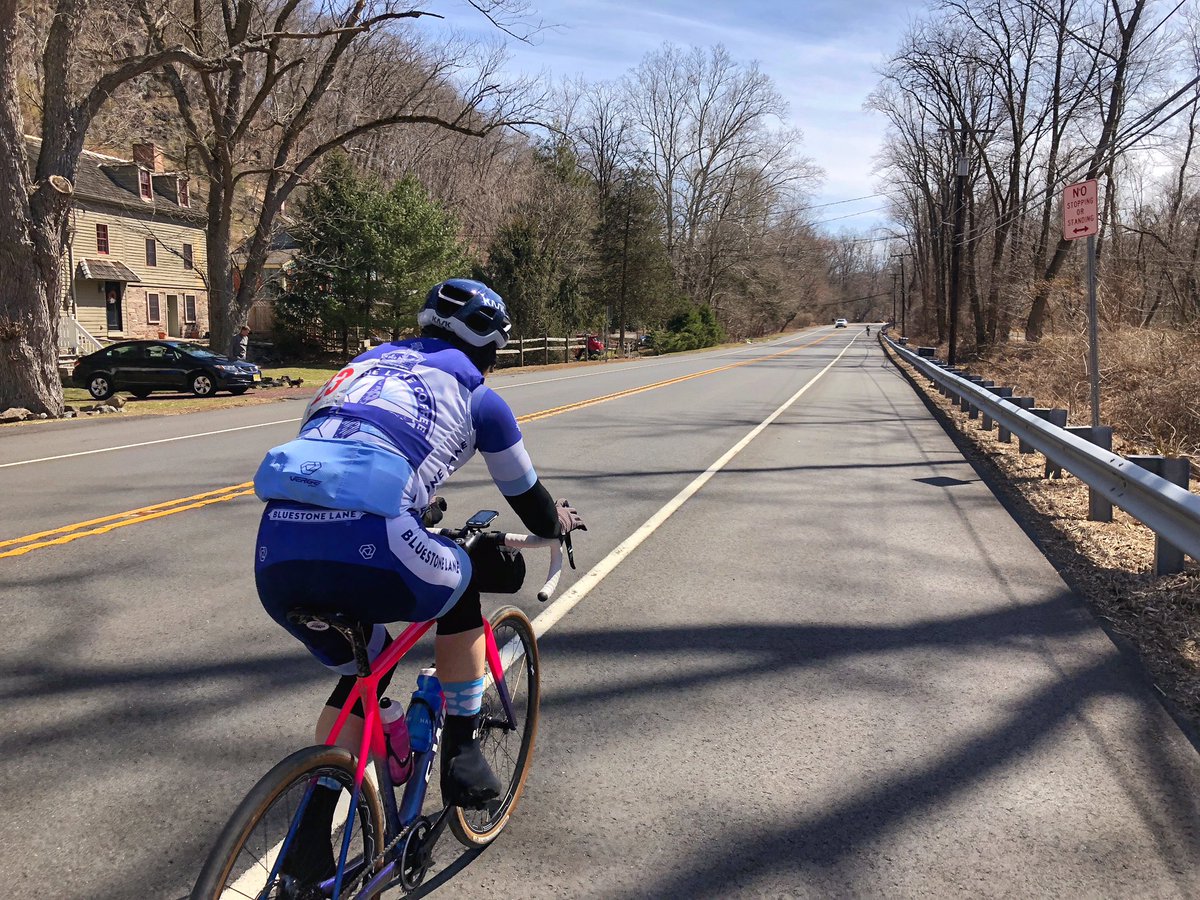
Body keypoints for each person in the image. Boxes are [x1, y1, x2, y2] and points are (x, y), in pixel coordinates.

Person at [251, 278, 586, 891]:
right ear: (489, 346)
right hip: (375, 537)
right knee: (461, 586)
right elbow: (531, 501)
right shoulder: (479, 398)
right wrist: (556, 521)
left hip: (277, 554)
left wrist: (415, 504)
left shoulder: (354, 372)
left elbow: (340, 459)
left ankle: (310, 833)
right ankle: (462, 748)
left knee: (367, 668)